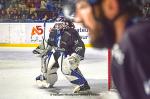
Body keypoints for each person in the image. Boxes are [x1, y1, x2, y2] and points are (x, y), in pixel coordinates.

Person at [74, 0, 150, 99]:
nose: (77, 18)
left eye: (83, 7)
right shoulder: (120, 56)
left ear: (111, 6)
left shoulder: (138, 40)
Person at [33, 17, 90, 93]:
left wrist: (76, 55)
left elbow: (79, 44)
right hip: (57, 52)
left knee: (67, 67)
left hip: (68, 53)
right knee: (46, 59)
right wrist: (40, 49)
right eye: (57, 24)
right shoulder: (54, 32)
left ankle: (82, 84)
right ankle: (47, 79)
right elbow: (49, 43)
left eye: (60, 24)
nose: (57, 26)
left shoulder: (71, 33)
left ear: (66, 25)